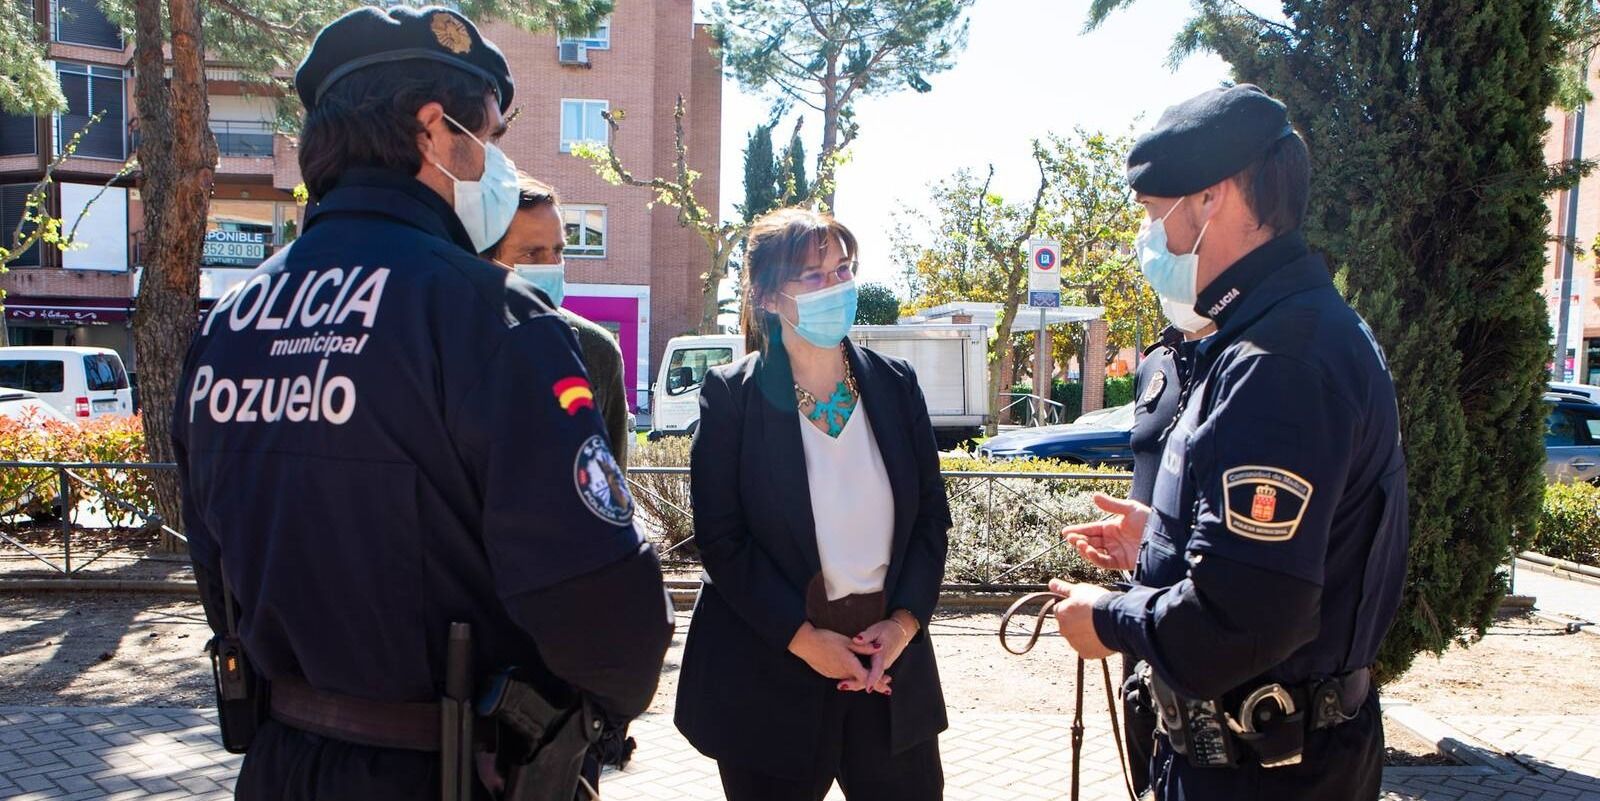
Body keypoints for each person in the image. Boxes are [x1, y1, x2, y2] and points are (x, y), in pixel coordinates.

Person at [171, 7, 673, 799]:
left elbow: (214, 571)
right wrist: (581, 727)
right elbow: (610, 614)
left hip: (282, 763)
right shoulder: (493, 319)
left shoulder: (228, 324)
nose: (497, 165)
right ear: (437, 131)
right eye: (493, 137)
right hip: (453, 771)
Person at [1051, 84, 1409, 801]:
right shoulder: (1282, 329)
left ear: (1213, 200)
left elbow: (1242, 624)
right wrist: (1163, 540)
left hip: (1268, 771)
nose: (1150, 241)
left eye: (1156, 217)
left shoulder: (1280, 358)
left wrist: (1108, 619)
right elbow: (1290, 553)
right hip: (1262, 760)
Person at [675, 208, 952, 801]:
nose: (837, 287)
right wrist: (804, 640)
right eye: (814, 275)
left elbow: (931, 519)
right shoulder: (732, 397)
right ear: (771, 296)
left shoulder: (895, 385)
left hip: (887, 666)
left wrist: (903, 626)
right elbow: (722, 542)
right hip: (772, 670)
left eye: (843, 270)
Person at [484, 173, 632, 469]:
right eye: (532, 253)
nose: (552, 266)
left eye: (558, 251)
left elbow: (611, 483)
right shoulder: (451, 342)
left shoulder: (597, 350)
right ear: (487, 260)